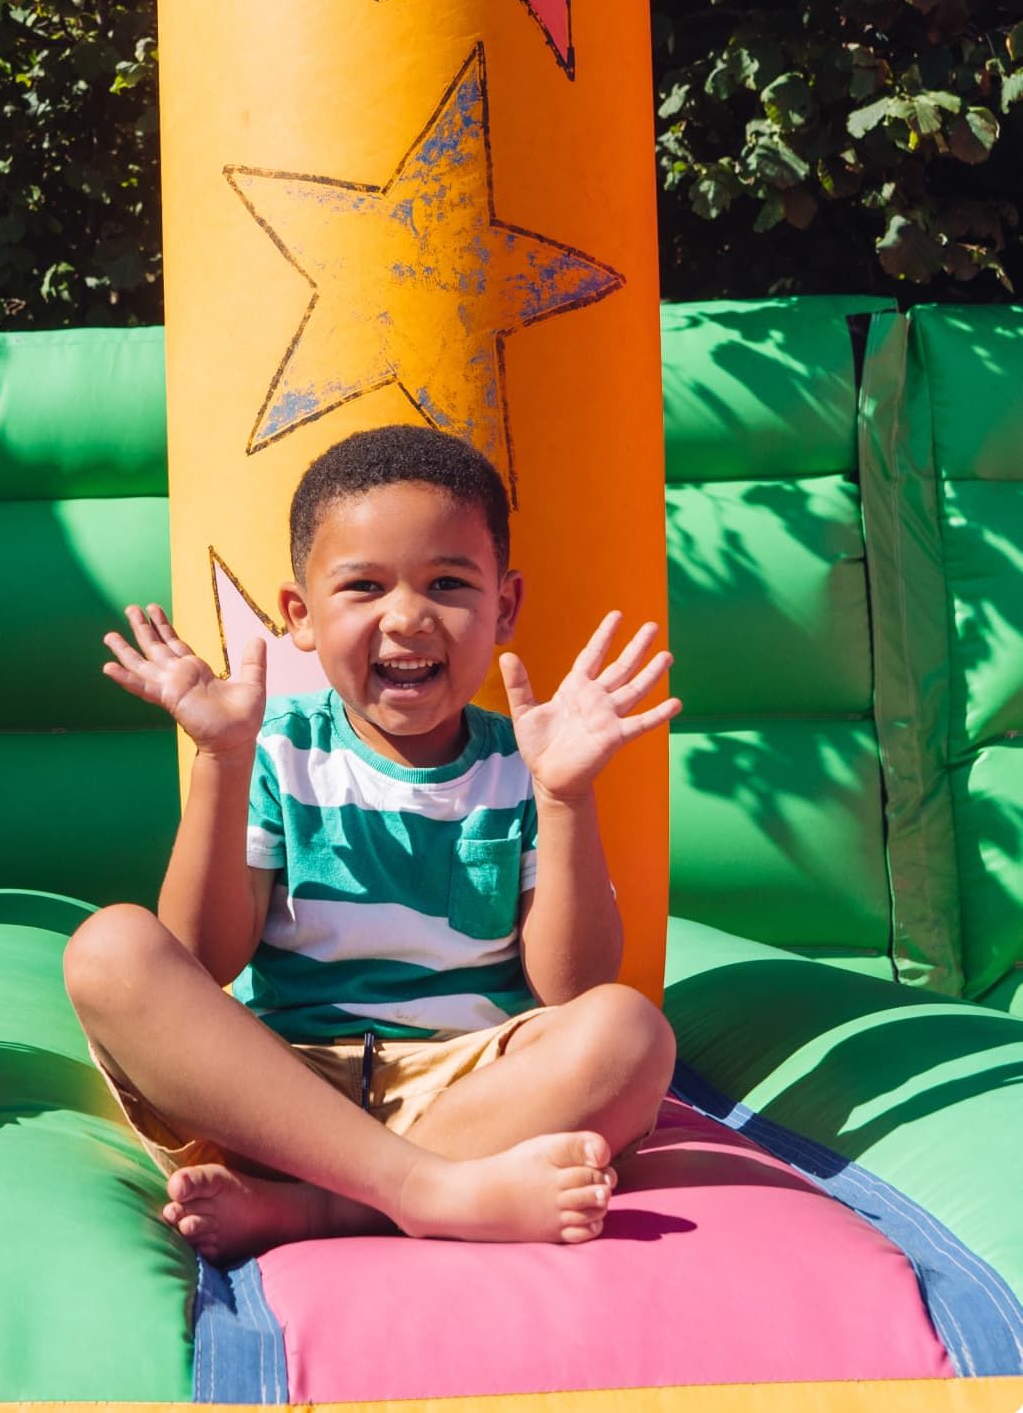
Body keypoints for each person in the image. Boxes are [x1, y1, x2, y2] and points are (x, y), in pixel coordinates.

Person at [64, 424, 679, 1261]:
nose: (408, 617)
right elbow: (202, 959)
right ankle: (420, 1189)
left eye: (448, 583)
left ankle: (321, 1210)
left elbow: (572, 985)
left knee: (630, 1033)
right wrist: (221, 757)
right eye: (363, 587)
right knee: (109, 949)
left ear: (503, 606)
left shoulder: (521, 763)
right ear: (300, 617)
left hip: (475, 1091)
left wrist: (566, 796)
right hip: (286, 1095)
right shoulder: (278, 750)